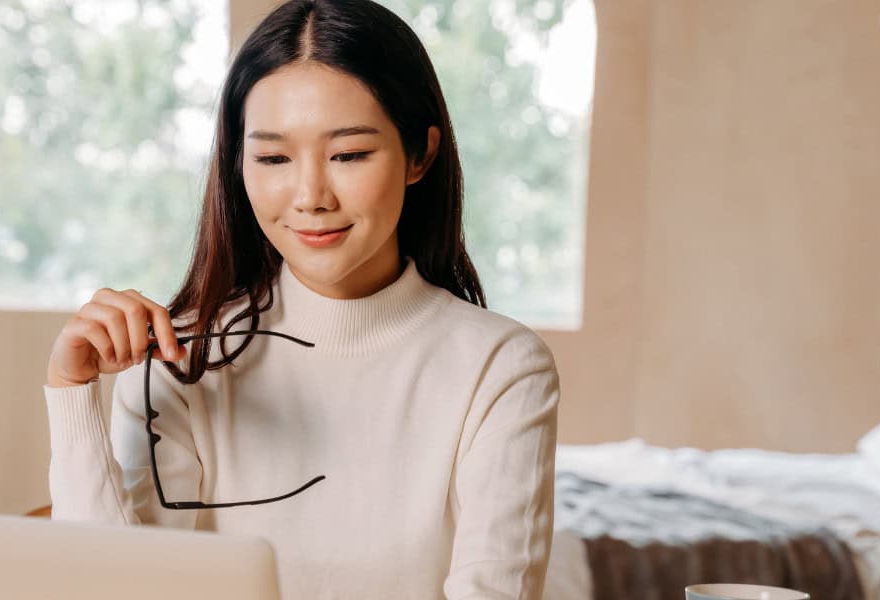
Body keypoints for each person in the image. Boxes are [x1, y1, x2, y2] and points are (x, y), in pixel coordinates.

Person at [43, 1, 559, 597]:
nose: (311, 196)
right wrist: (70, 389)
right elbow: (110, 589)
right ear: (239, 164)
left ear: (420, 154)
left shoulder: (501, 368)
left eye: (349, 154)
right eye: (273, 158)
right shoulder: (180, 359)